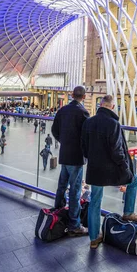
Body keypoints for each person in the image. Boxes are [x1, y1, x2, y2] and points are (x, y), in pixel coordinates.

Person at [82, 95, 137, 250]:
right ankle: (128, 212)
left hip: (95, 169)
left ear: (100, 105)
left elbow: (84, 147)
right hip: (111, 169)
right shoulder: (113, 124)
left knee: (95, 202)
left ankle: (94, 239)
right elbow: (117, 151)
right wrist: (125, 168)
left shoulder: (88, 122)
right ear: (112, 107)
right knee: (134, 180)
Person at [52, 86, 89, 237]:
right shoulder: (83, 112)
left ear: (72, 95)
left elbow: (54, 130)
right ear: (84, 97)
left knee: (62, 184)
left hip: (65, 153)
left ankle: (57, 212)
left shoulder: (62, 110)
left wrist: (64, 141)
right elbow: (87, 134)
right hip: (76, 156)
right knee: (75, 190)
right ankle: (74, 224)